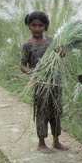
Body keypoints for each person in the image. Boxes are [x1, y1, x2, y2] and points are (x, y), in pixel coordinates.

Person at [21, 11, 68, 154]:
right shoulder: (27, 45)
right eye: (33, 25)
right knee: (41, 112)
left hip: (55, 82)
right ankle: (41, 143)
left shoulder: (52, 41)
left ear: (45, 26)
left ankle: (56, 140)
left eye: (40, 25)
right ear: (29, 26)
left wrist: (61, 52)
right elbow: (22, 65)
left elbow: (61, 56)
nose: (37, 28)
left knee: (56, 111)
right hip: (40, 83)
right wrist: (30, 71)